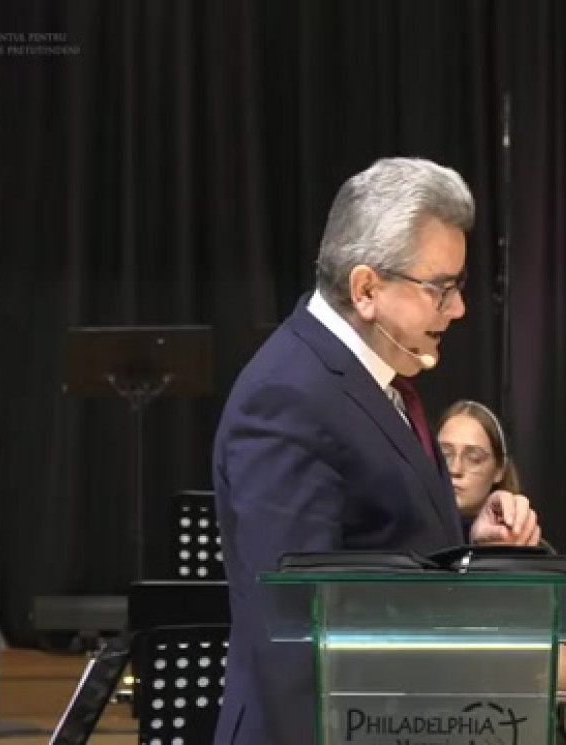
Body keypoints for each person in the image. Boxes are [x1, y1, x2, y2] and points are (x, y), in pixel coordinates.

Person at [212, 158, 542, 745]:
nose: (459, 309)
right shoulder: (287, 395)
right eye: (442, 288)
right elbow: (293, 633)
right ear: (366, 288)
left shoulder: (370, 374)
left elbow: (377, 550)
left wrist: (469, 541)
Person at [435, 399, 566, 689]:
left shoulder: (531, 549)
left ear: (499, 470)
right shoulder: (414, 541)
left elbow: (563, 679)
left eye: (474, 458)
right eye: (443, 454)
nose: (455, 468)